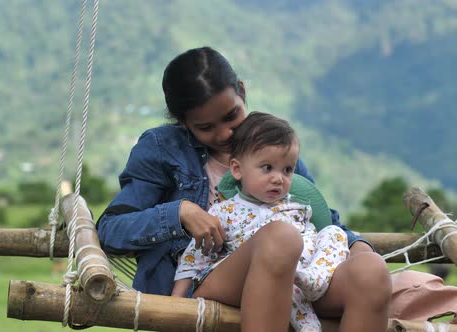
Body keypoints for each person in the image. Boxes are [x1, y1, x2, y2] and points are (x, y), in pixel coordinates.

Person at [97, 46, 391, 331]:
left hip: (296, 280)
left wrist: (357, 245)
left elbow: (318, 214)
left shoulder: (271, 144)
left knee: (372, 270)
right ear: (182, 122)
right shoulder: (162, 149)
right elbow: (111, 230)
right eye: (205, 127)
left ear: (242, 92)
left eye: (231, 116)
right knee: (281, 237)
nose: (224, 133)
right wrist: (180, 213)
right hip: (208, 280)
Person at [173, 112, 350, 331]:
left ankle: (315, 279)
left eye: (287, 170)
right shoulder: (224, 211)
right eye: (267, 168)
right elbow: (193, 258)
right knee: (283, 243)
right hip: (248, 276)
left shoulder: (297, 208)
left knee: (334, 232)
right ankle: (307, 318)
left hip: (302, 276)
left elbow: (318, 243)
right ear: (237, 169)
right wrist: (177, 300)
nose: (279, 178)